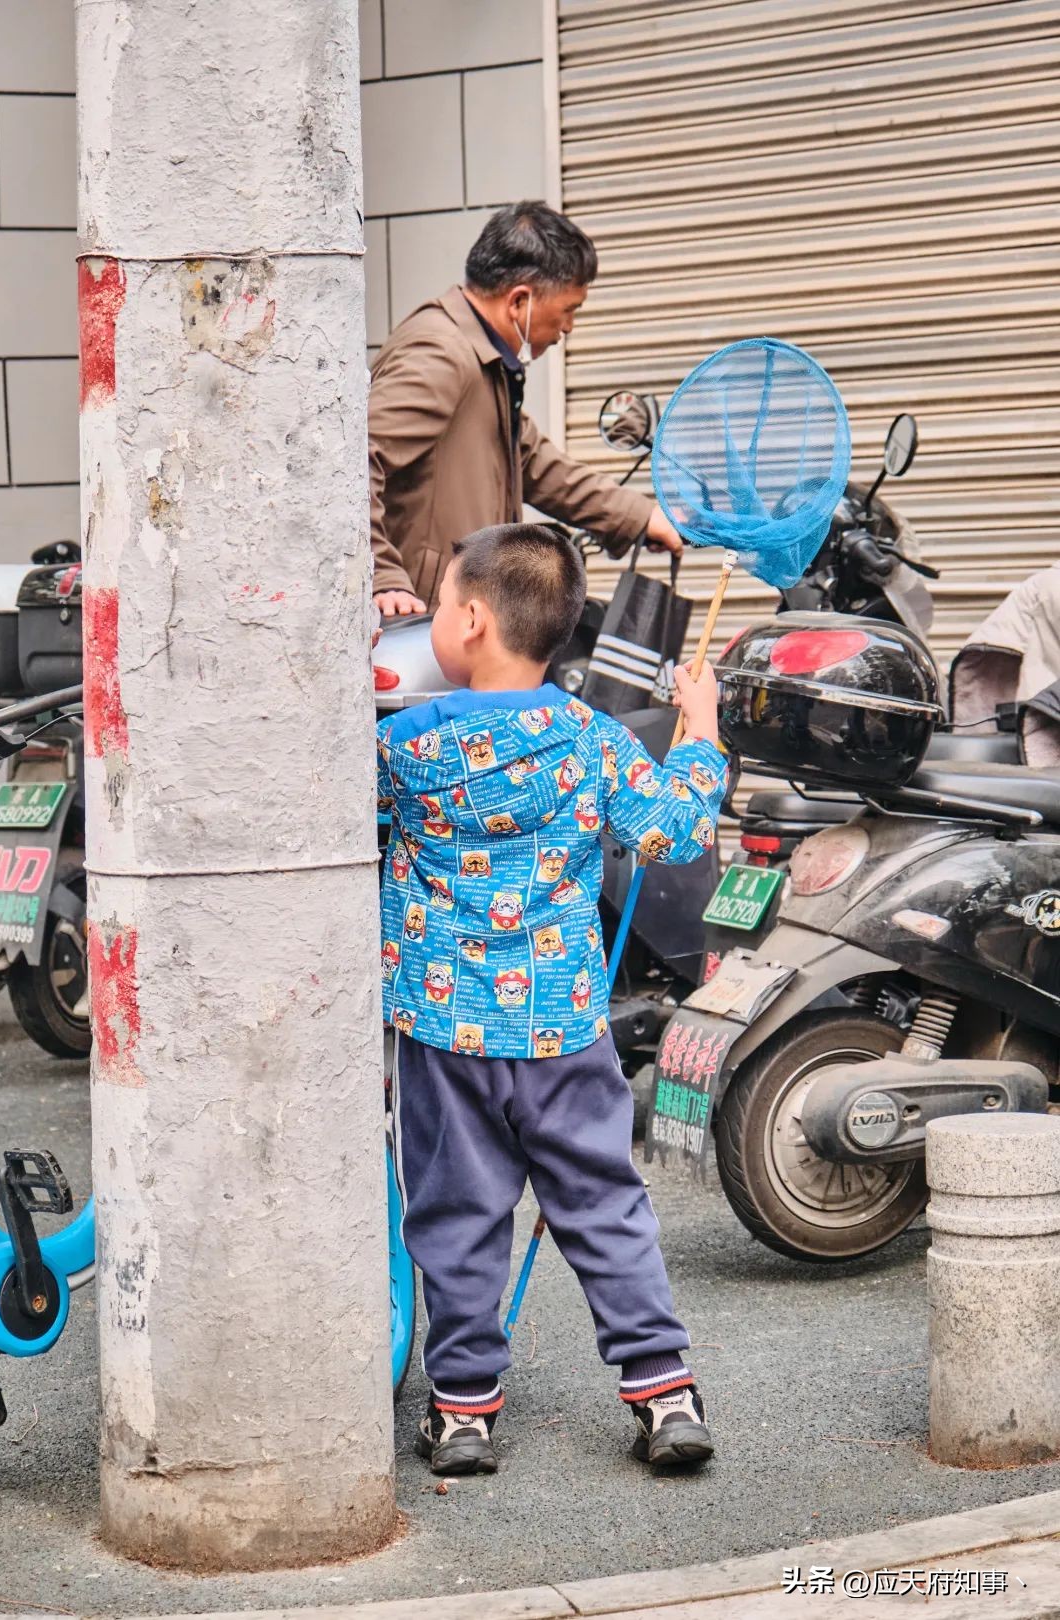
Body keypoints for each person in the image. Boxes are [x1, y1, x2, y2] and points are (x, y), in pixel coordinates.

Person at [375, 523, 727, 1477]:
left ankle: (463, 1412)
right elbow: (672, 833)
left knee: (455, 1213)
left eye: (443, 603)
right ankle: (665, 1392)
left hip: (443, 1035)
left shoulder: (402, 746)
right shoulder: (590, 738)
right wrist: (701, 729)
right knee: (606, 1205)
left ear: (474, 620)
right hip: (564, 1029)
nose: (438, 617)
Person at [369, 201, 682, 618]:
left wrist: (641, 516)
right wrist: (382, 575)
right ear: (520, 300)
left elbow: (537, 464)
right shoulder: (443, 353)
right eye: (569, 309)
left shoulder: (486, 361)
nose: (569, 327)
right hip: (423, 621)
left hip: (460, 618)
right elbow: (356, 457)